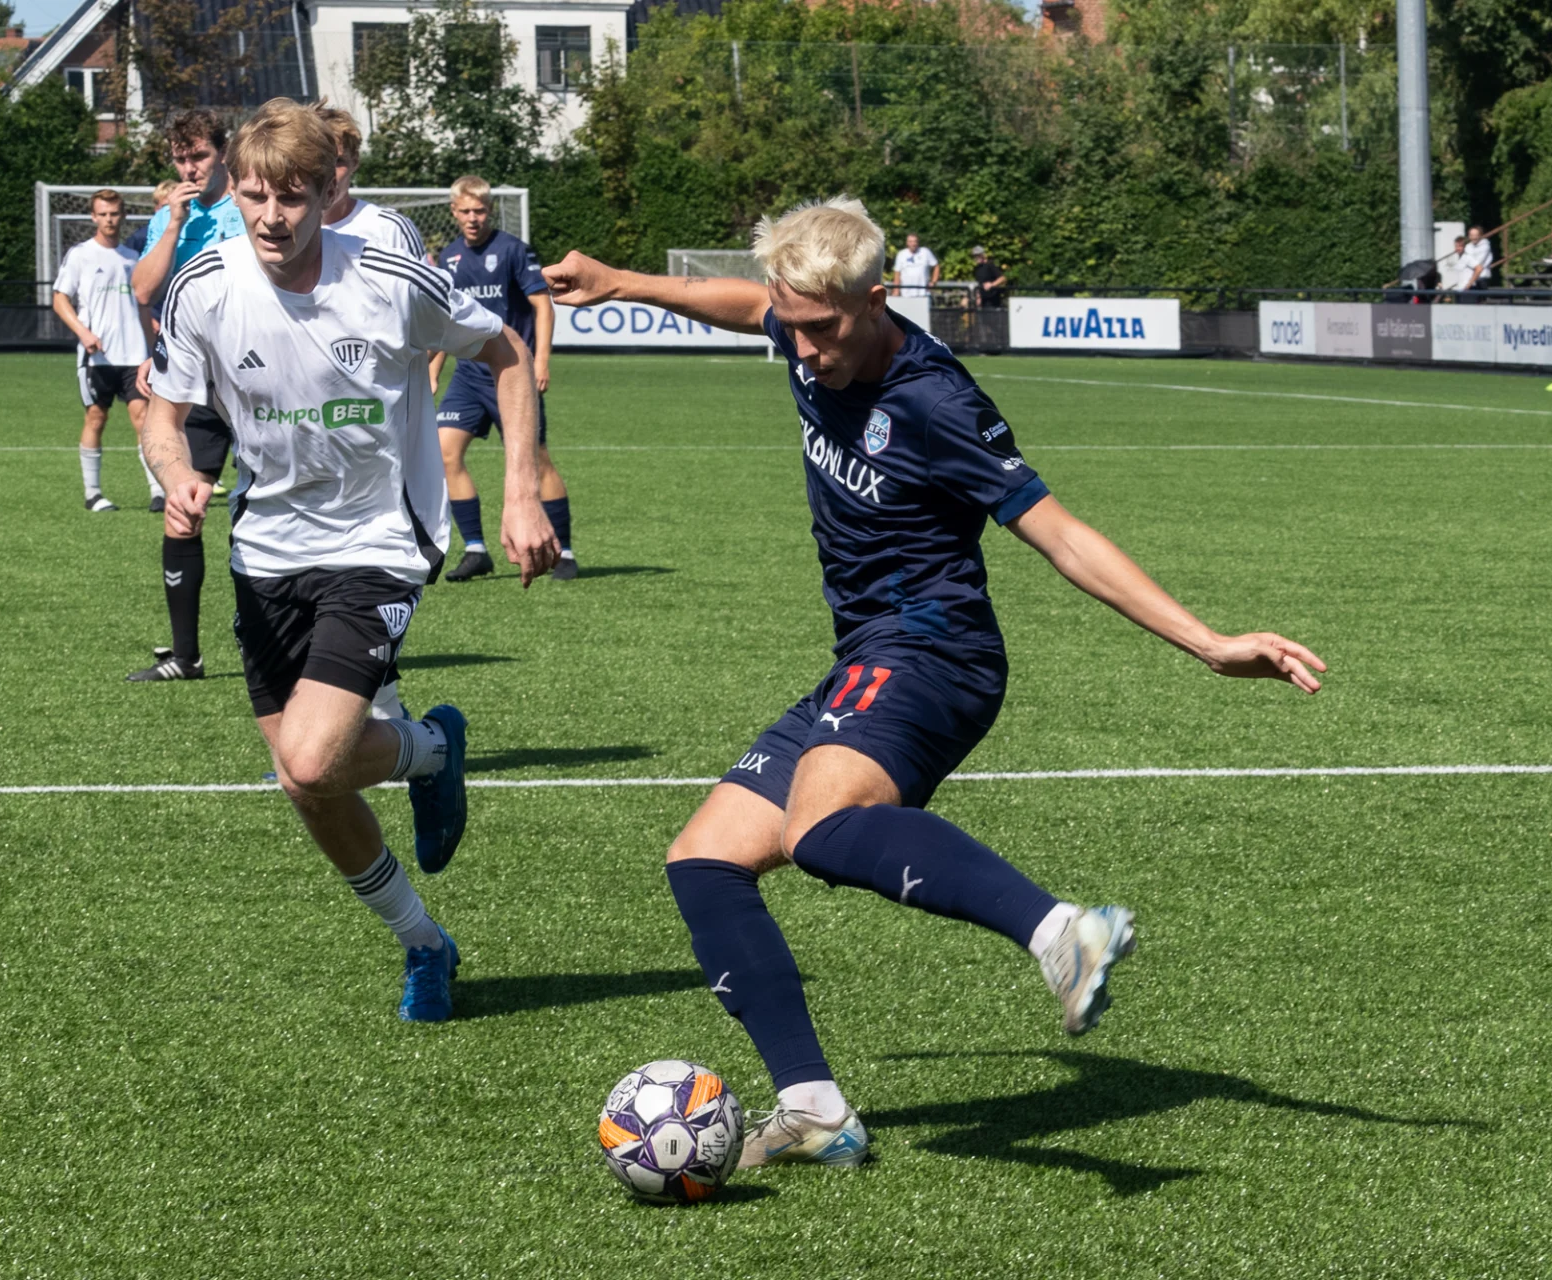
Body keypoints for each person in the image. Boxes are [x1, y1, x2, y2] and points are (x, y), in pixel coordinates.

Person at [541, 196, 1325, 1169]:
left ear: (875, 300)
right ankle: (815, 1107)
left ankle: (1061, 931)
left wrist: (1206, 641)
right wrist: (621, 282)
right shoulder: (795, 327)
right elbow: (747, 305)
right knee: (704, 860)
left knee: (819, 828)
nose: (805, 347)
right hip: (866, 652)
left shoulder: (933, 398)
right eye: (793, 322)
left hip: (936, 651)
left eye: (823, 328)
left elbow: (1059, 531)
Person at [142, 99, 558, 1022]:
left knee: (309, 758)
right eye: (253, 195)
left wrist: (521, 488)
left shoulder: (389, 276)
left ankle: (428, 747)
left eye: (291, 196)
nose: (270, 216)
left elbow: (509, 351)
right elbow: (162, 415)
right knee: (309, 785)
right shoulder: (203, 285)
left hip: (379, 542)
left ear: (331, 192)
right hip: (265, 551)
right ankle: (424, 939)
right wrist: (175, 475)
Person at [128, 109, 250, 683]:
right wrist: (174, 225)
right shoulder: (166, 220)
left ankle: (281, 642)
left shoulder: (252, 204)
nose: (189, 167)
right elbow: (144, 290)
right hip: (194, 385)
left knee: (273, 512)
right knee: (183, 511)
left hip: (257, 378)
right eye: (180, 158)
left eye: (198, 155)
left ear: (223, 153)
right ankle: (186, 656)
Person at [427, 175, 577, 582]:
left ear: (489, 210)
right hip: (469, 375)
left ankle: (563, 551)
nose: (472, 218)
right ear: (454, 212)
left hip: (511, 372)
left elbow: (542, 307)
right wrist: (433, 369)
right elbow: (443, 320)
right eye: (465, 211)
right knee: (445, 454)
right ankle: (476, 549)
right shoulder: (451, 258)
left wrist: (540, 361)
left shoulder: (513, 250)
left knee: (537, 460)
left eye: (479, 211)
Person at [50, 188, 150, 513]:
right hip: (97, 356)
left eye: (114, 213)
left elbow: (144, 304)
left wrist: (152, 345)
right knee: (96, 417)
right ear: (93, 217)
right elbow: (60, 298)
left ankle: (158, 491)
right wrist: (83, 332)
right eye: (103, 214)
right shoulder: (81, 254)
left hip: (134, 354)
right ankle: (93, 493)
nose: (109, 219)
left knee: (144, 418)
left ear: (123, 216)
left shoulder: (133, 258)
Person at [314, 104, 431, 260]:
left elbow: (420, 284)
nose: (328, 173)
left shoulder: (390, 229)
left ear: (354, 162)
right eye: (318, 161)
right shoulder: (285, 233)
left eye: (338, 161)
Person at [890, 232, 938, 298]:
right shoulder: (901, 254)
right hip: (906, 294)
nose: (913, 244)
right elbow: (897, 273)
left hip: (923, 293)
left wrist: (933, 282)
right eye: (910, 241)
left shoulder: (925, 252)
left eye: (915, 241)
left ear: (918, 242)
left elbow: (936, 266)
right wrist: (896, 289)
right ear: (907, 243)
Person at [1457, 226, 1493, 298]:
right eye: (1471, 235)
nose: (1474, 237)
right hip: (1470, 279)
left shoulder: (1485, 246)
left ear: (1480, 235)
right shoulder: (1468, 246)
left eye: (1476, 235)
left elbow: (1478, 263)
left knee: (1481, 302)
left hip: (1481, 278)